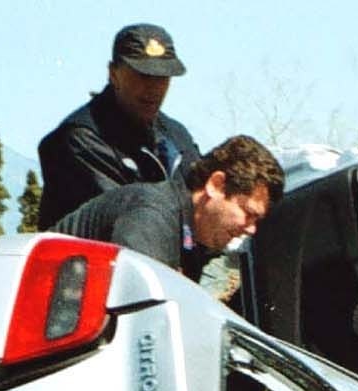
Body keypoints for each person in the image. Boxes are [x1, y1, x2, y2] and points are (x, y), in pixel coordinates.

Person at [37, 23, 204, 228]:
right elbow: (132, 219)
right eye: (143, 75)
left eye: (162, 77)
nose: (152, 87)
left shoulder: (176, 137)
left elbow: (205, 202)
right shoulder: (82, 139)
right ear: (113, 73)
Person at [54, 135, 283, 281]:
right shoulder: (153, 214)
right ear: (216, 185)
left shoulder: (187, 236)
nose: (251, 229)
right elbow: (136, 303)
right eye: (248, 213)